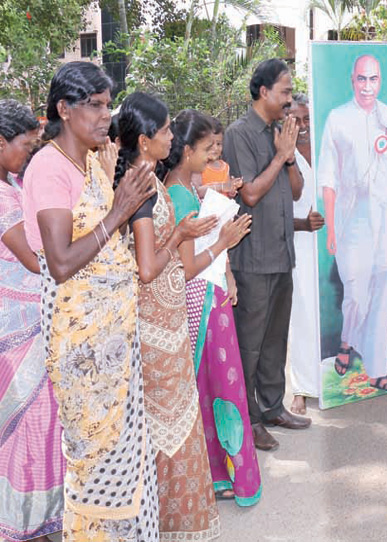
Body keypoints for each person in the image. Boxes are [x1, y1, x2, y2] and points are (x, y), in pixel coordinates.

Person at [22, 61, 158, 540]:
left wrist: (119, 212)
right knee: (95, 459)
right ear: (65, 108)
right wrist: (120, 210)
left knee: (123, 452)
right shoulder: (48, 168)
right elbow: (60, 262)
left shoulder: (90, 163)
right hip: (83, 343)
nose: (106, 116)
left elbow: (105, 243)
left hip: (114, 336)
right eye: (95, 106)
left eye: (108, 106)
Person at [118, 93, 249, 537]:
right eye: (165, 131)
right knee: (166, 425)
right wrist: (193, 235)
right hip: (157, 321)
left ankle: (177, 520)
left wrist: (204, 205)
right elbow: (149, 266)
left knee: (180, 420)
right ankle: (168, 521)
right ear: (144, 139)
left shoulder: (153, 182)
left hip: (169, 315)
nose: (171, 138)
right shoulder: (140, 187)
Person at [164, 110, 263, 506]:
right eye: (206, 150)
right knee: (220, 389)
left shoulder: (187, 190)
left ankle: (221, 474)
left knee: (216, 389)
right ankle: (228, 475)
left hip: (213, 290)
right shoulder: (178, 195)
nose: (212, 157)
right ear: (186, 151)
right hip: (200, 298)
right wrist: (225, 242)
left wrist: (228, 274)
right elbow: (187, 267)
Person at [223, 58, 310, 452]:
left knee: (276, 339)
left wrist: (289, 156)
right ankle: (251, 417)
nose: (290, 100)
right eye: (286, 92)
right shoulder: (239, 134)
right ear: (264, 92)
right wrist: (279, 155)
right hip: (252, 258)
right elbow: (251, 194)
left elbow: (295, 190)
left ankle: (274, 406)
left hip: (281, 254)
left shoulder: (281, 133)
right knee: (250, 343)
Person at [318, 54, 387, 391]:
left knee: (384, 290)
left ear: (380, 81)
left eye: (373, 79)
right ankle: (346, 340)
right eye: (361, 79)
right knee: (356, 292)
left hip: (386, 218)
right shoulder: (337, 119)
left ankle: (376, 368)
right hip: (351, 217)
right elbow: (328, 176)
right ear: (352, 80)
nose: (367, 86)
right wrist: (331, 225)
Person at [0, 99, 65, 542]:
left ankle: (38, 517)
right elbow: (33, 257)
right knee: (24, 422)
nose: (28, 152)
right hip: (15, 326)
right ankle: (20, 522)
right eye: (24, 144)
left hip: (36, 317)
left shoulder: (14, 182)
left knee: (43, 421)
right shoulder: (2, 195)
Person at [288, 93, 324, 415]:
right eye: (296, 119)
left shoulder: (325, 149)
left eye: (307, 120)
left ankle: (327, 380)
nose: (302, 126)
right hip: (299, 242)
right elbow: (275, 209)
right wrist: (302, 223)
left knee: (324, 311)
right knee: (300, 316)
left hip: (328, 243)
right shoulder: (284, 157)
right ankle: (299, 389)